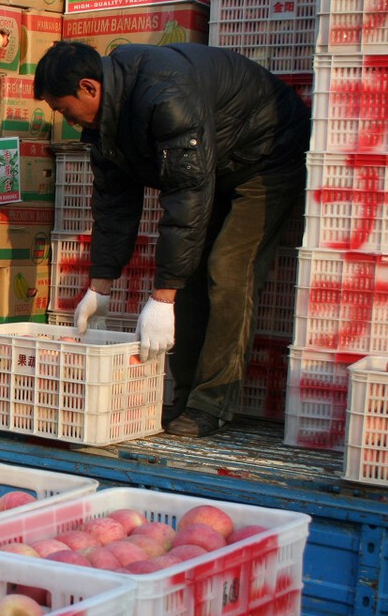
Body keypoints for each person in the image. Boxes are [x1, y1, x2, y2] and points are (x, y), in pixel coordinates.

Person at [34, 41, 310, 438]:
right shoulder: (104, 126)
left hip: (267, 154)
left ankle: (210, 403)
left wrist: (163, 298)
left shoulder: (164, 96)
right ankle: (184, 397)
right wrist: (101, 284)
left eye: (63, 109)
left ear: (89, 88)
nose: (65, 119)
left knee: (229, 269)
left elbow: (186, 197)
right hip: (215, 163)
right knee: (191, 269)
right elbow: (113, 205)